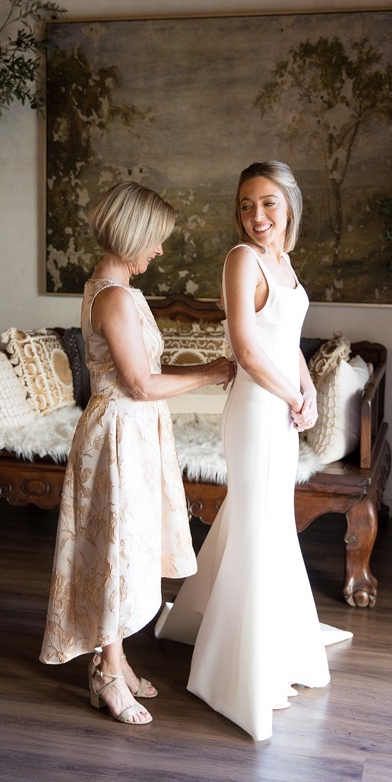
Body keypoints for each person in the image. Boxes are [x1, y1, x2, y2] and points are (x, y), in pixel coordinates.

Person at [39, 180, 236, 726]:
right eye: (155, 240)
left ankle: (116, 657)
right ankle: (106, 672)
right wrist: (212, 371)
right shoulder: (115, 296)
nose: (160, 250)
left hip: (132, 433)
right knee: (116, 554)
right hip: (118, 437)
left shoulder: (113, 287)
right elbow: (141, 384)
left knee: (126, 548)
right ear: (133, 235)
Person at [154, 160, 331, 741]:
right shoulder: (242, 260)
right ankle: (238, 668)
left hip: (280, 406)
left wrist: (308, 391)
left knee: (264, 520)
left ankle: (205, 618)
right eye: (247, 205)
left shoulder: (284, 262)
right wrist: (290, 398)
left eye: (268, 204)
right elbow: (249, 350)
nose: (257, 216)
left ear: (290, 206)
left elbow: (288, 343)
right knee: (261, 524)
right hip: (256, 411)